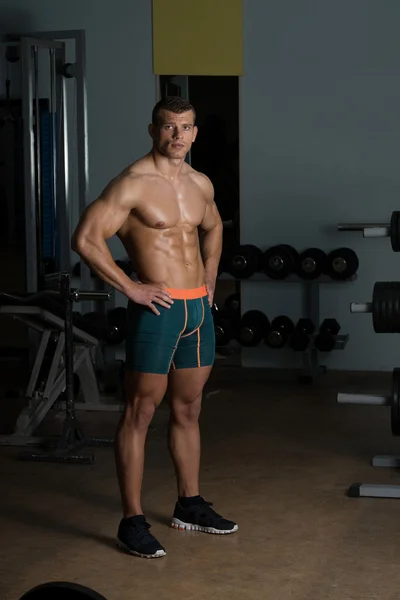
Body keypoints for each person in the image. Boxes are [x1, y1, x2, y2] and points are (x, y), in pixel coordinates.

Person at [71, 96, 238, 559]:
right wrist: (131, 288)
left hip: (196, 312)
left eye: (185, 128)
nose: (177, 136)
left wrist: (209, 279)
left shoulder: (199, 183)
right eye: (168, 127)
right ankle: (132, 521)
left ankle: (189, 503)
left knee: (188, 410)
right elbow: (85, 237)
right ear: (152, 130)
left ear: (195, 133)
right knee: (140, 413)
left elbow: (214, 226)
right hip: (157, 311)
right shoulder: (133, 184)